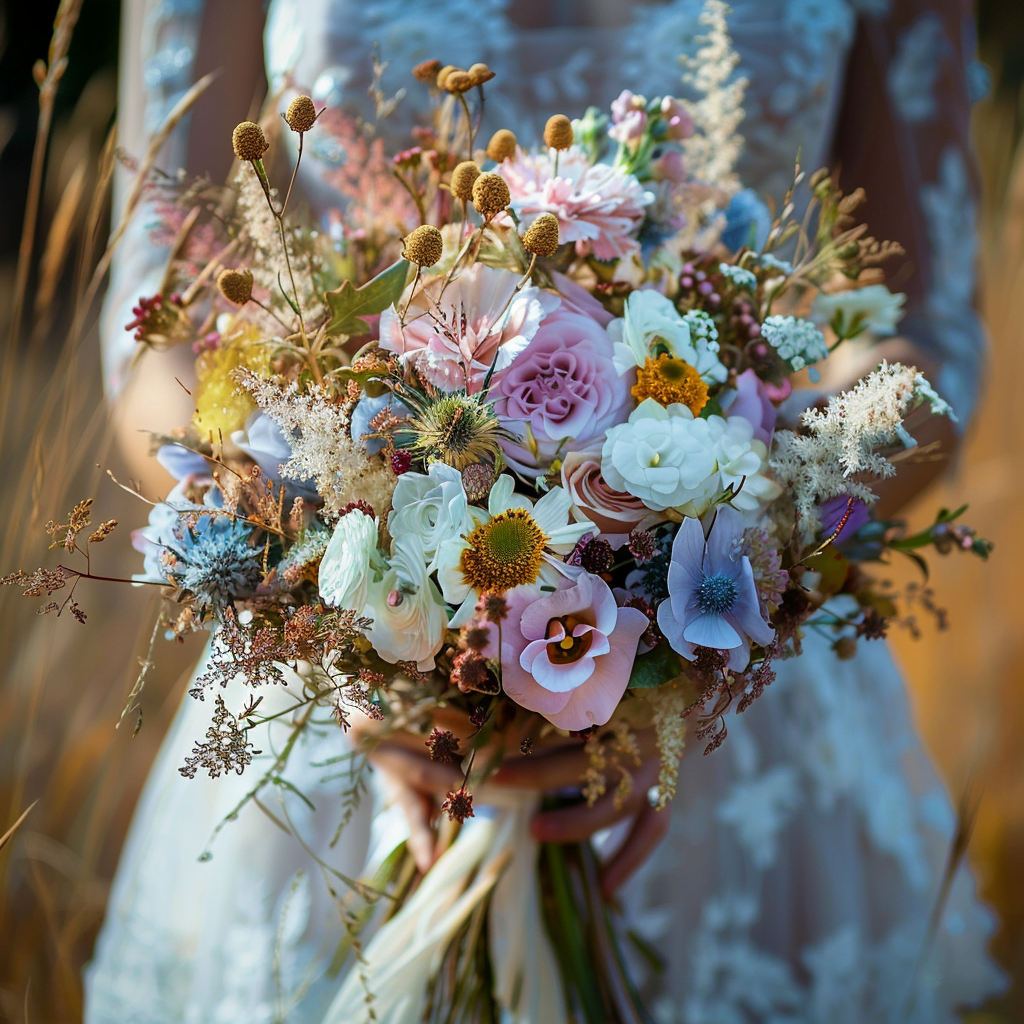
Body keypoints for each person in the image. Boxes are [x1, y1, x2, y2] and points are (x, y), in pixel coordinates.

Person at [87, 1, 1006, 1021]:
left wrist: (709, 559)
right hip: (346, 652)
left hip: (735, 669)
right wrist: (336, 594)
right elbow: (161, 342)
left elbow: (927, 341)